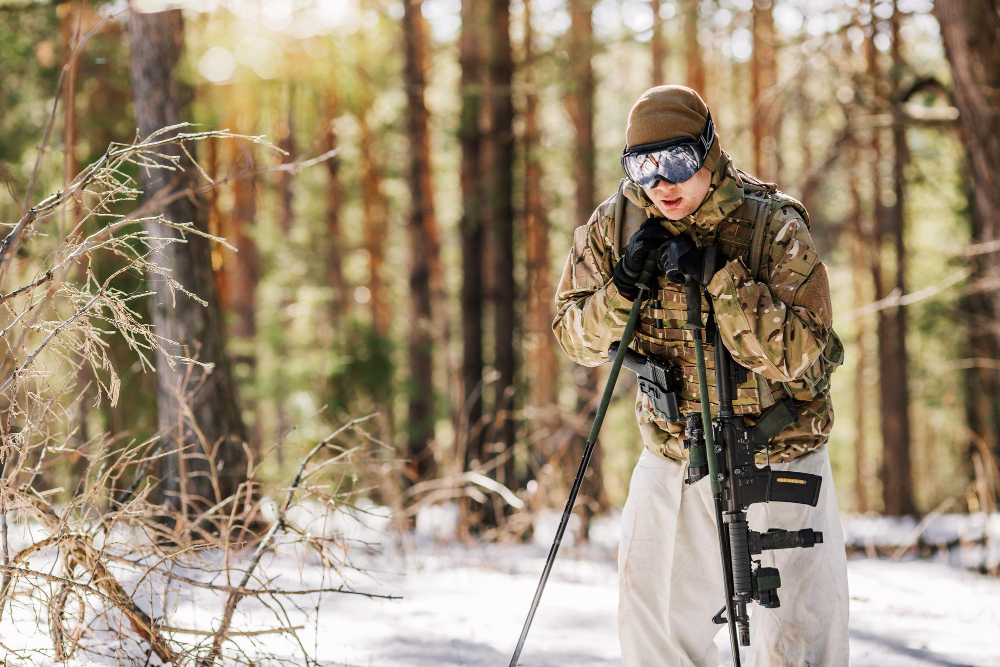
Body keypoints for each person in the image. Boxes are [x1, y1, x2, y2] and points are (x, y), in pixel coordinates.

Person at [551, 85, 849, 666]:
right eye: (644, 165)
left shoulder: (771, 224)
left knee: (798, 640)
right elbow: (572, 337)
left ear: (709, 152)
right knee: (654, 628)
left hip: (780, 451)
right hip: (674, 451)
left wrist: (722, 279)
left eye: (679, 161)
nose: (662, 183)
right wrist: (621, 291)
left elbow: (797, 353)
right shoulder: (615, 226)